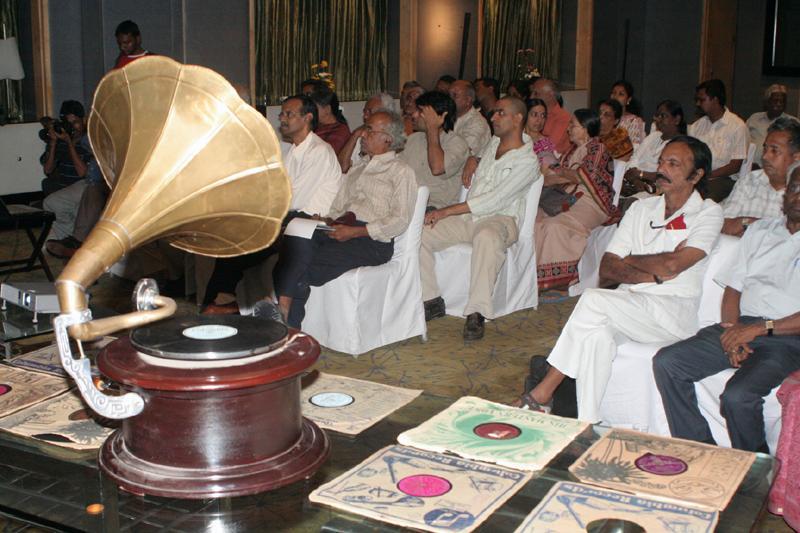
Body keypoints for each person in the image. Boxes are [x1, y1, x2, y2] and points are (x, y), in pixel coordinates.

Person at [519, 136, 723, 421]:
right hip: (631, 305)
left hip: (672, 312)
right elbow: (608, 267)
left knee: (593, 299)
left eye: (673, 164)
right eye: (662, 161)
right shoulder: (641, 208)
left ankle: (544, 392)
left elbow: (676, 262)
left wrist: (633, 261)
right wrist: (655, 272)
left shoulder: (709, 212)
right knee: (596, 337)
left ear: (697, 174)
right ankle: (588, 424)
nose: (662, 168)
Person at [653, 162, 800, 452]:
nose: (799, 196)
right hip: (744, 325)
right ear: (785, 195)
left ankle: (755, 472)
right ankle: (700, 449)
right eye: (795, 188)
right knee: (668, 363)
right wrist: (733, 332)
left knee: (738, 396)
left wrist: (757, 329)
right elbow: (733, 289)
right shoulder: (761, 231)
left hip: (786, 337)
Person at [272, 111, 417, 327]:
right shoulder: (357, 169)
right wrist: (324, 219)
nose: (363, 135)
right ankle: (285, 322)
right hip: (340, 229)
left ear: (388, 138)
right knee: (295, 235)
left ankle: (283, 319)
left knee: (298, 265)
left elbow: (400, 220)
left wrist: (356, 232)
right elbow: (337, 207)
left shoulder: (400, 171)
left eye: (369, 130)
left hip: (370, 240)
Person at [201, 94, 341, 314]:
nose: (282, 119)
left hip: (307, 224)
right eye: (282, 114)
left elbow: (294, 199)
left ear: (307, 118)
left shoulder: (319, 151)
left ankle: (218, 307)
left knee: (240, 245)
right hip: (286, 218)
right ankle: (219, 305)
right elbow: (272, 190)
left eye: (289, 114)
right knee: (232, 243)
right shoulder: (291, 150)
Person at [420, 96, 540, 340]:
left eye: (500, 113)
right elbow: (476, 157)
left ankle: (477, 312)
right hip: (469, 219)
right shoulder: (494, 143)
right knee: (421, 233)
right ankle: (430, 299)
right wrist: (473, 159)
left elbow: (494, 200)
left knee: (486, 237)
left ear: (518, 119)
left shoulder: (528, 161)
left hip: (500, 219)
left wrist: (446, 211)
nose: (493, 117)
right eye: (494, 112)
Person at [535, 109, 616, 289]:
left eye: (573, 125)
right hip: (568, 197)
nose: (568, 129)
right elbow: (553, 177)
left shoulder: (598, 148)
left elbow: (584, 176)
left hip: (592, 202)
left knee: (554, 225)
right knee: (536, 219)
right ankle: (538, 275)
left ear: (586, 128)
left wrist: (561, 173)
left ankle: (561, 277)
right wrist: (563, 174)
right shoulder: (570, 152)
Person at [720, 118, 800, 236]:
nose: (765, 157)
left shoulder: (796, 194)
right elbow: (724, 226)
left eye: (774, 151)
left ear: (796, 157)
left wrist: (746, 225)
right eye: (765, 148)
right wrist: (749, 223)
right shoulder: (750, 180)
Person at [399, 91, 469, 209]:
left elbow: (437, 168)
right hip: (406, 201)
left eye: (420, 111)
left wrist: (432, 128)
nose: (413, 115)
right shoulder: (413, 139)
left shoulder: (457, 143)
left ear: (439, 116)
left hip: (435, 208)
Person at [688, 79, 749, 202]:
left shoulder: (737, 126)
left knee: (699, 198)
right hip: (698, 176)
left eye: (702, 100)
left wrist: (707, 175)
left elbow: (734, 166)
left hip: (723, 179)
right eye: (697, 100)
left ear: (715, 100)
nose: (698, 104)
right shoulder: (697, 126)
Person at [623, 99, 687, 196]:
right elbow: (634, 158)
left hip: (657, 189)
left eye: (663, 116)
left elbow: (668, 174)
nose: (658, 119)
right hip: (634, 182)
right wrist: (635, 180)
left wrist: (640, 174)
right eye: (657, 116)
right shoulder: (653, 136)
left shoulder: (680, 145)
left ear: (677, 120)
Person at [338, 92, 396, 173]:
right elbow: (341, 168)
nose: (365, 116)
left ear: (385, 114)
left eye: (370, 112)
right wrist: (355, 135)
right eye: (364, 112)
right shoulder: (361, 134)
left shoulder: (395, 137)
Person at [746, 84, 799, 167]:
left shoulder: (793, 122)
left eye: (782, 101)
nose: (779, 104)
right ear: (767, 102)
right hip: (751, 168)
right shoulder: (754, 119)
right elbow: (742, 142)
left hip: (779, 172)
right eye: (775, 100)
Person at [449, 80, 491, 157]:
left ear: (468, 100)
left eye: (454, 95)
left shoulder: (477, 123)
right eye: (449, 95)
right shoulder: (449, 117)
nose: (450, 99)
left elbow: (460, 155)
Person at [531, 78, 571, 155]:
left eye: (536, 93)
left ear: (550, 94)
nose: (531, 97)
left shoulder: (563, 118)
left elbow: (549, 148)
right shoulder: (531, 114)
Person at [309, 86, 351, 155]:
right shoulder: (316, 127)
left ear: (327, 109)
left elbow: (325, 154)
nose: (310, 112)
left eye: (314, 109)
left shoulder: (341, 130)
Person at [524, 98, 557, 168]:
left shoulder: (545, 144)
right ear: (525, 115)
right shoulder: (515, 138)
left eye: (543, 116)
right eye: (534, 115)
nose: (539, 120)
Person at [610, 80, 645, 144]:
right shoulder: (604, 118)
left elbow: (635, 147)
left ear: (628, 99)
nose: (616, 97)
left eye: (621, 94)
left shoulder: (633, 121)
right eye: (614, 93)